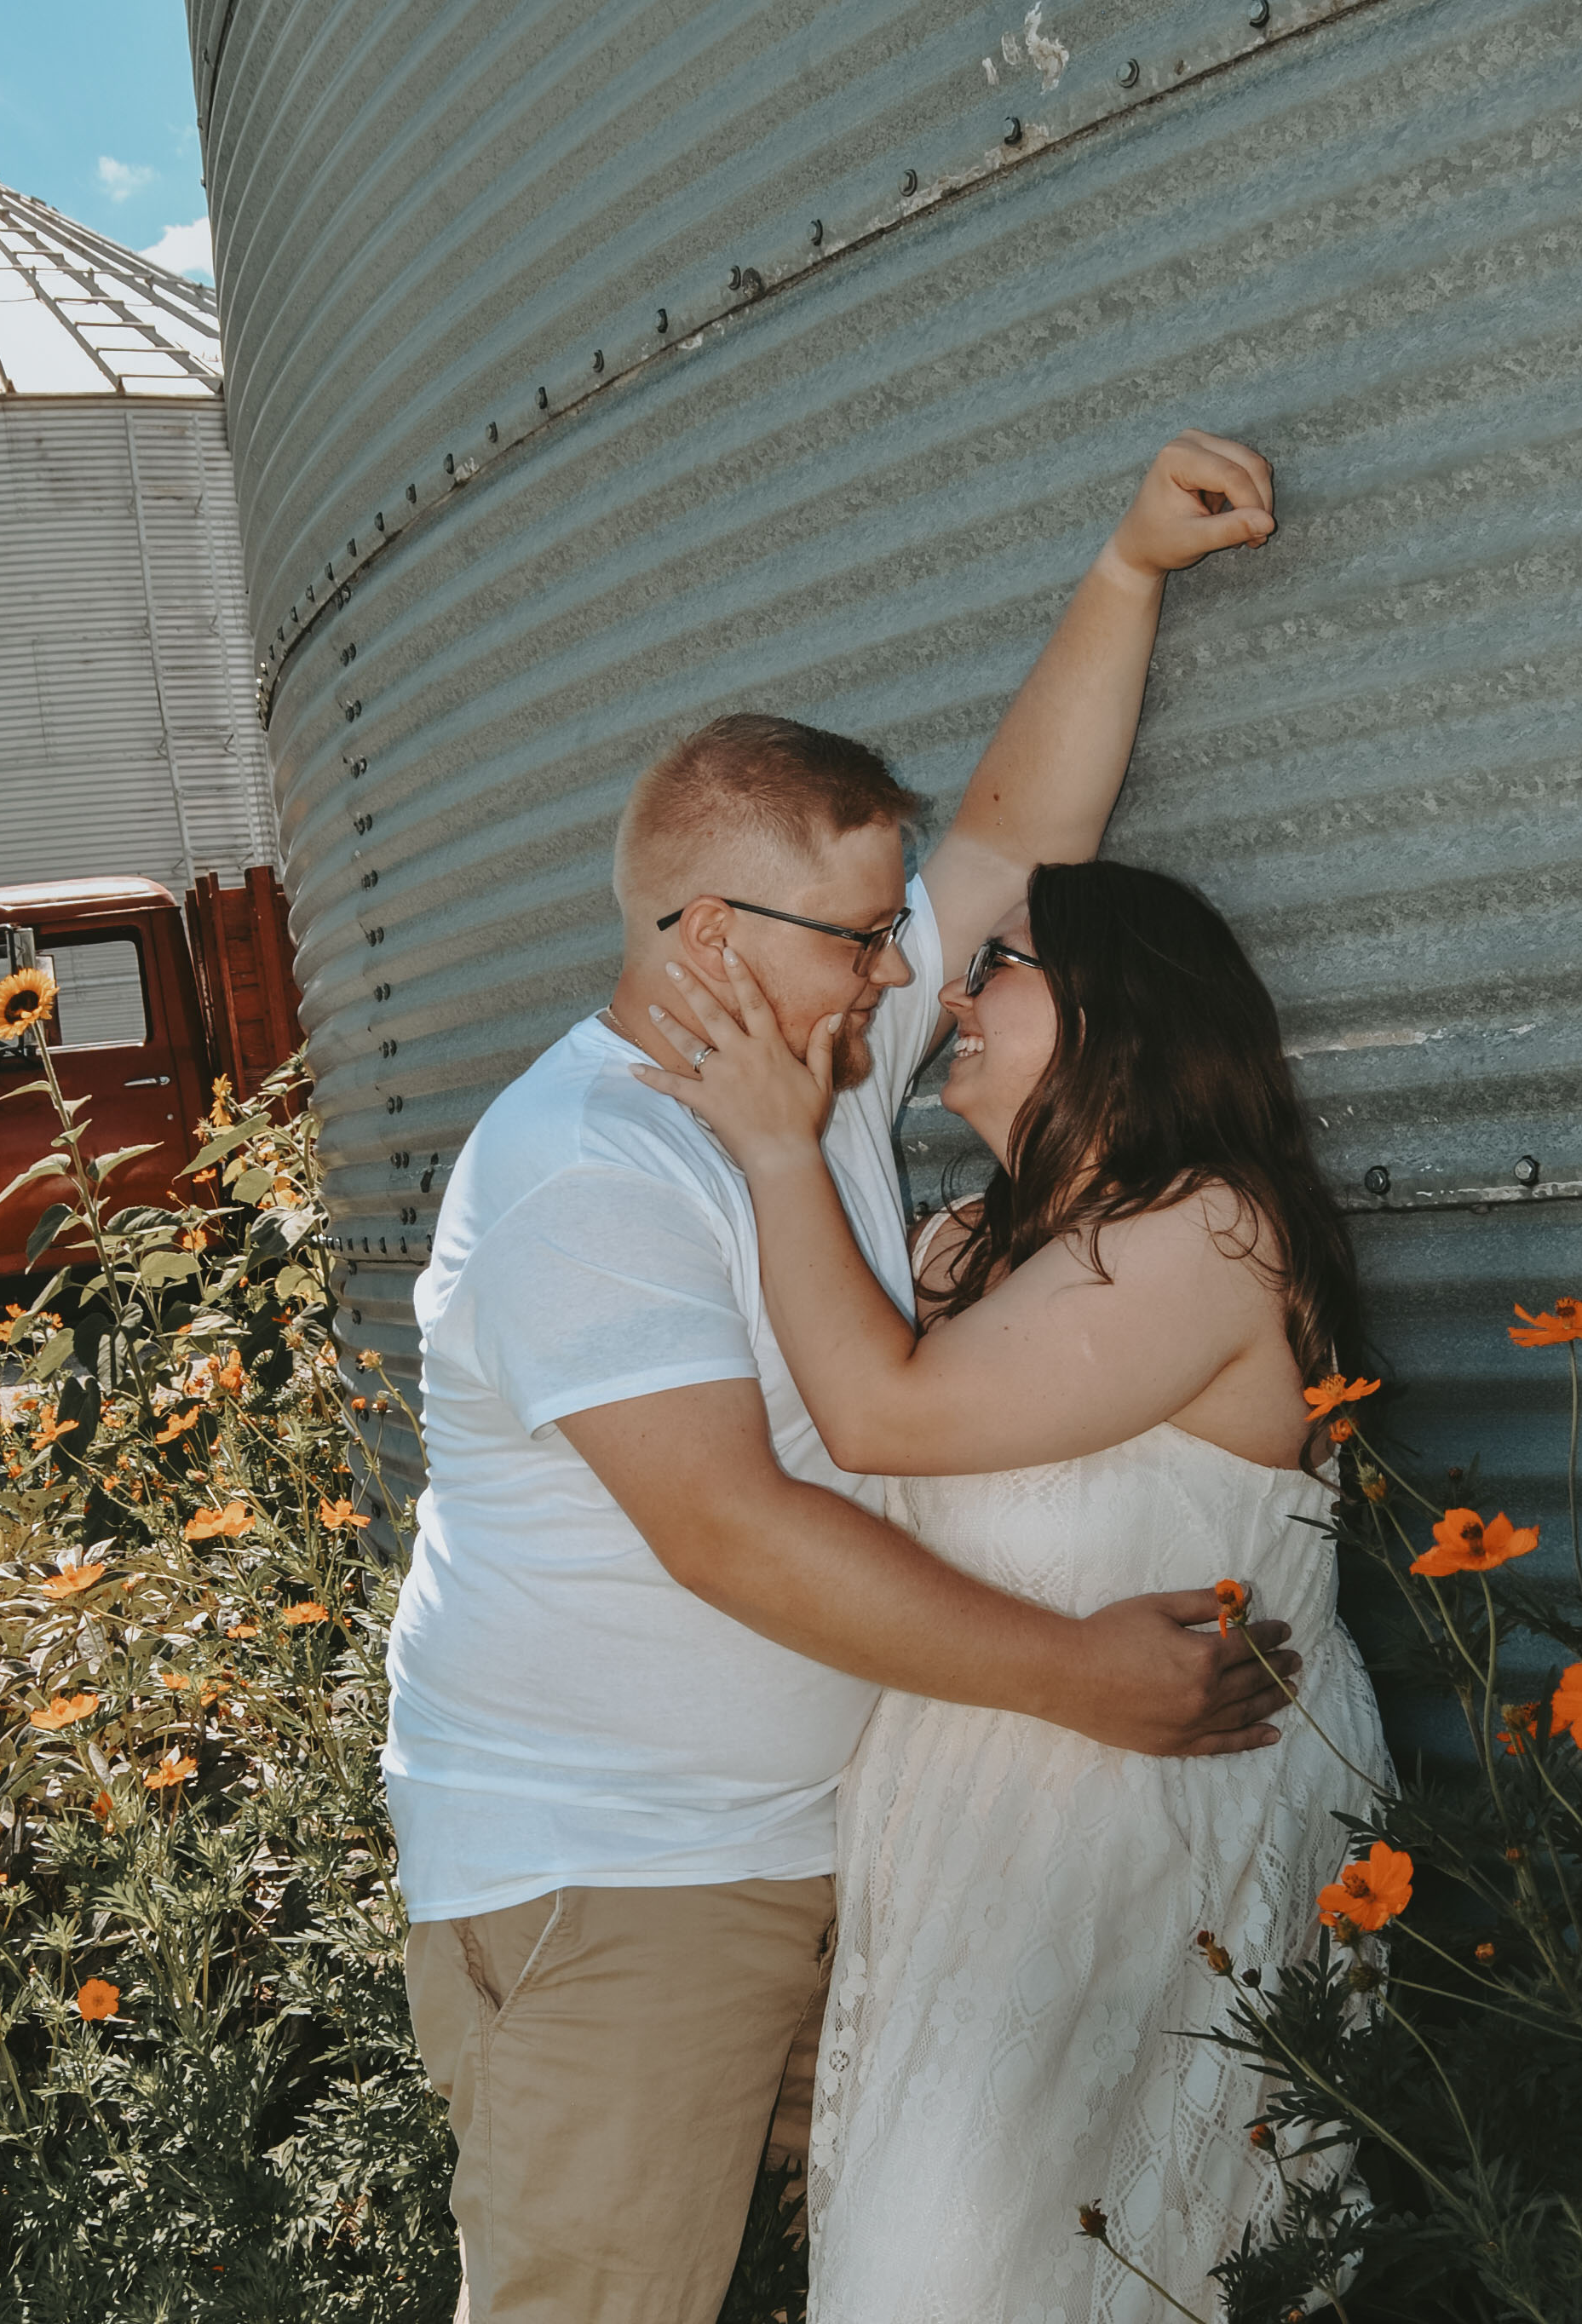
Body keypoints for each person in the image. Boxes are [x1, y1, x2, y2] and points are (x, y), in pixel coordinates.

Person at [383, 433, 1294, 2324]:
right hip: (621, 1886)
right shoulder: (584, 1168)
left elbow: (1015, 833)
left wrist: (1124, 569)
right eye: (864, 935)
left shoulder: (814, 1080)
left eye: (896, 929)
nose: (905, 970)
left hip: (823, 1849)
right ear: (705, 936)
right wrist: (1086, 1677)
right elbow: (732, 1529)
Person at [636, 860, 1393, 2321]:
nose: (959, 998)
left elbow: (884, 1422)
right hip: (968, 1844)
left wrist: (785, 1153)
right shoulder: (966, 1248)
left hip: (1158, 1851)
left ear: (1124, 1012)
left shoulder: (1215, 1233)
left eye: (1003, 966)